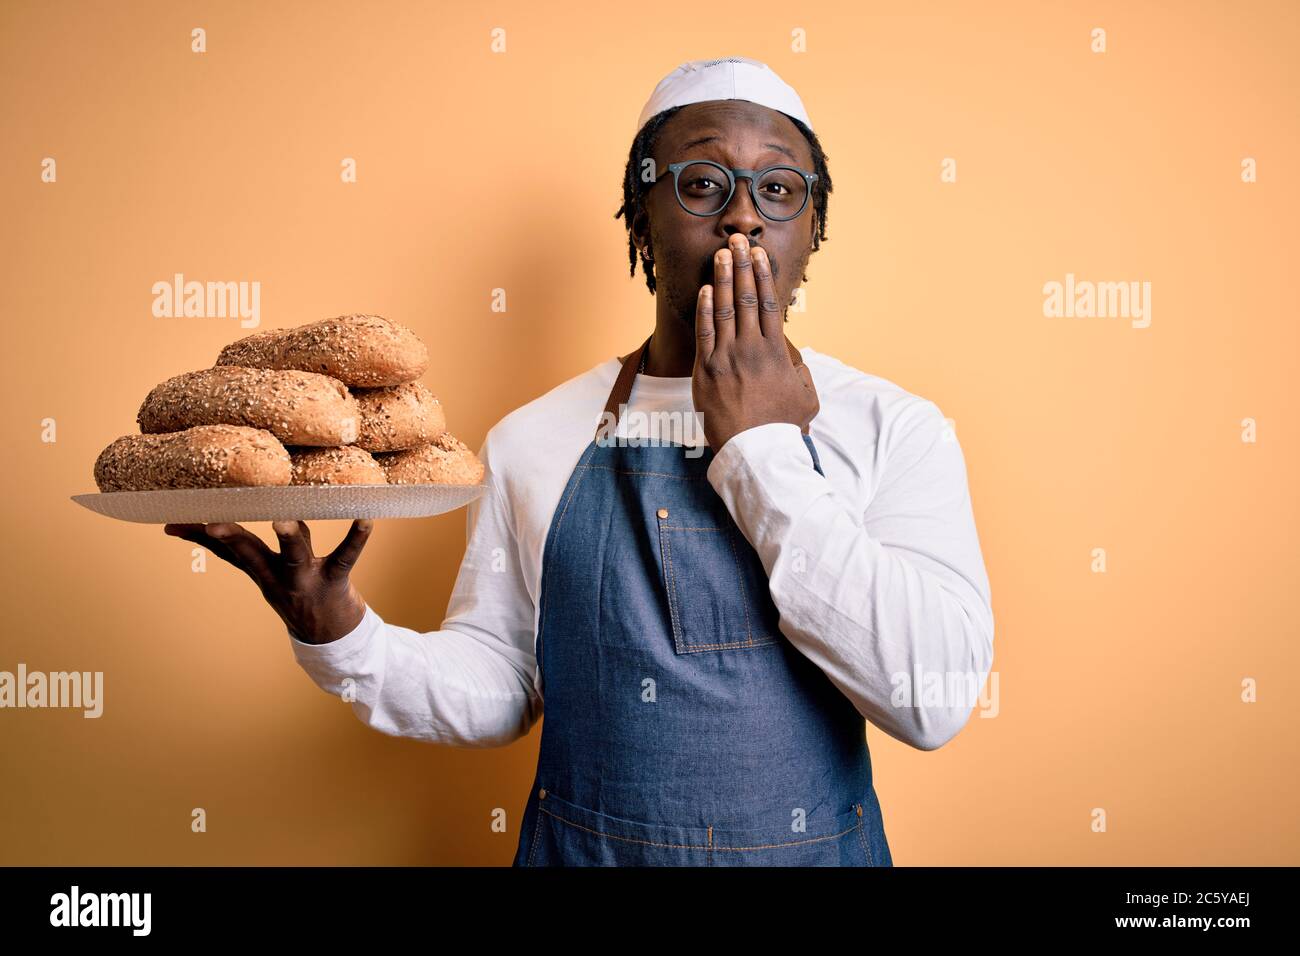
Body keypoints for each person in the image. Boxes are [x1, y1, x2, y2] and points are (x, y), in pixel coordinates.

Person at [164, 56, 994, 866]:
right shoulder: (535, 437)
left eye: (779, 189)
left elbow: (934, 701)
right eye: (702, 183)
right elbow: (502, 684)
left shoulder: (894, 429)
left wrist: (761, 448)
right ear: (643, 212)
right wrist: (343, 639)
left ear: (811, 230)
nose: (743, 216)